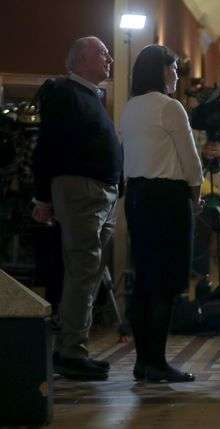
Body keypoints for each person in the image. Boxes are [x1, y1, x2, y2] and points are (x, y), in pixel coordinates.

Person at [32, 36, 121, 381]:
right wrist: (43, 198)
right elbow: (48, 147)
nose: (110, 58)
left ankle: (74, 347)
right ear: (81, 60)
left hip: (100, 194)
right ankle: (71, 352)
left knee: (90, 272)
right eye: (102, 53)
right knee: (83, 269)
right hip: (82, 191)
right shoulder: (64, 93)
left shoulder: (90, 96)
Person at [120, 44, 203, 382]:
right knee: (166, 282)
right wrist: (195, 195)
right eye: (174, 69)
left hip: (138, 196)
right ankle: (156, 362)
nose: (177, 75)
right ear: (161, 71)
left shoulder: (130, 107)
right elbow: (191, 160)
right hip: (167, 197)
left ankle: (144, 361)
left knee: (144, 279)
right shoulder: (170, 107)